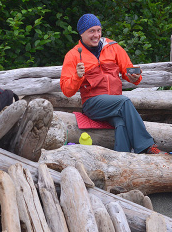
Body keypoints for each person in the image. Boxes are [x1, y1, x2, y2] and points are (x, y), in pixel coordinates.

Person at [60, 13, 160, 154]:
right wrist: (78, 76)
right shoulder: (73, 55)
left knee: (121, 123)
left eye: (99, 30)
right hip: (93, 104)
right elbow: (66, 90)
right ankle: (146, 146)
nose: (96, 35)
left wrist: (134, 77)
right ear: (82, 33)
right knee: (124, 101)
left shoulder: (113, 47)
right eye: (91, 31)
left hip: (115, 106)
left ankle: (122, 159)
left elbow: (130, 73)